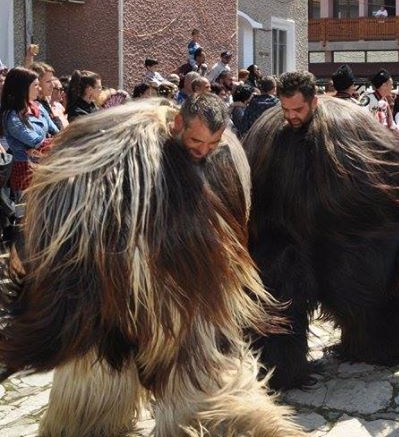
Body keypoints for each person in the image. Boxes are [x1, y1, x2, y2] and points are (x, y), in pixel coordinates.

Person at [0, 97, 303, 436]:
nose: (203, 152)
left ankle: (91, 414)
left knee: (101, 355)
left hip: (131, 267)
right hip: (166, 276)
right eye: (196, 143)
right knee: (184, 354)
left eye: (212, 145)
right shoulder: (157, 191)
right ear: (177, 125)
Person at [242, 71, 399, 388]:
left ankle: (376, 342)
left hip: (345, 230)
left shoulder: (344, 131)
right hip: (286, 234)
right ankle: (282, 365)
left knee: (363, 282)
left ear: (314, 101)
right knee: (281, 290)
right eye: (286, 110)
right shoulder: (271, 134)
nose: (291, 117)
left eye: (298, 110)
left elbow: (393, 187)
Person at [0, 67, 59, 198]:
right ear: (23, 88)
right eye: (36, 85)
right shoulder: (11, 116)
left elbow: (56, 132)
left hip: (45, 169)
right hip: (25, 174)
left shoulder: (39, 107)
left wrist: (61, 140)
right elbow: (37, 142)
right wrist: (59, 142)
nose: (39, 88)